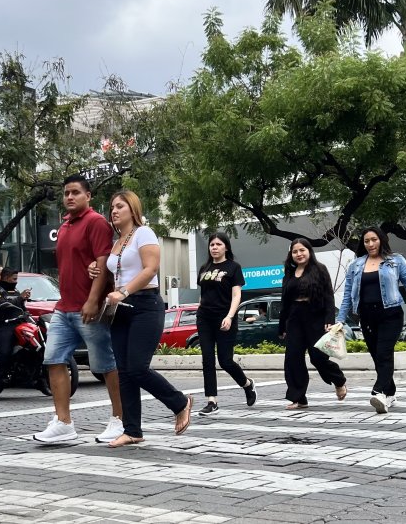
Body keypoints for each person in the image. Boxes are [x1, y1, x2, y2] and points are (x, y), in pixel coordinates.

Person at [33, 174, 124, 444]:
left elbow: (103, 264)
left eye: (75, 192)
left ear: (88, 196)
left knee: (106, 365)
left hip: (88, 308)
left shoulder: (96, 222)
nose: (70, 197)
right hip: (63, 308)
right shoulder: (64, 226)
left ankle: (120, 419)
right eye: (66, 193)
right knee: (53, 359)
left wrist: (93, 301)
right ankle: (63, 423)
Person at [102, 189, 192, 447]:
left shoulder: (144, 233)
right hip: (121, 309)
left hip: (145, 304)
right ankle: (132, 430)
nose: (114, 211)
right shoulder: (116, 242)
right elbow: (118, 271)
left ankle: (180, 402)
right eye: (112, 207)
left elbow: (151, 269)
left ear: (133, 209)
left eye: (120, 206)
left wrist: (124, 291)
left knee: (137, 367)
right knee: (124, 372)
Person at [337, 226, 406, 414]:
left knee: (384, 352)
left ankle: (378, 392)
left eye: (374, 240)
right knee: (377, 356)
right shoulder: (356, 265)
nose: (370, 244)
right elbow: (347, 295)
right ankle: (391, 393)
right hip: (366, 316)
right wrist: (340, 319)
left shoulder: (396, 261)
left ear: (381, 240)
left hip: (391, 314)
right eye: (366, 241)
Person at [278, 237, 346, 410]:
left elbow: (329, 296)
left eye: (302, 250)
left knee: (318, 357)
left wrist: (329, 320)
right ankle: (298, 397)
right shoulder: (289, 273)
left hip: (315, 318)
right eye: (295, 251)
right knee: (293, 358)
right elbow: (284, 302)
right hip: (294, 319)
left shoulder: (320, 269)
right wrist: (282, 326)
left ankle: (338, 380)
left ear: (309, 251)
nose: (298, 254)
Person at [195, 232, 256, 415]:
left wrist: (229, 316)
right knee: (207, 359)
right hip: (204, 318)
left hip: (224, 318)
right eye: (212, 244)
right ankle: (211, 401)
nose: (214, 247)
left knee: (225, 361)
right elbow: (203, 294)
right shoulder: (204, 268)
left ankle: (247, 384)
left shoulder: (233, 267)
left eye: (218, 244)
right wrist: (199, 309)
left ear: (226, 247)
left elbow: (236, 295)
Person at [0, 267, 27, 401]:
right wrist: (20, 298)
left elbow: (22, 309)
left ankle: (40, 378)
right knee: (5, 353)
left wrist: (27, 314)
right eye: (14, 279)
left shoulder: (16, 292)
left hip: (19, 324)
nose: (16, 281)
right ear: (6, 278)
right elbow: (2, 304)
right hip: (4, 326)